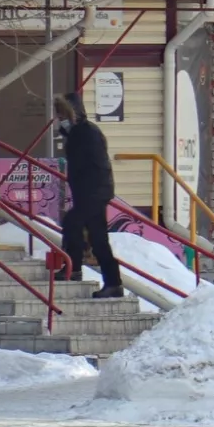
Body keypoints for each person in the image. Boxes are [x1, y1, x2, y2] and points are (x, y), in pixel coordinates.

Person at [53, 93, 124, 298]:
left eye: (61, 115)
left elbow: (96, 165)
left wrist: (93, 193)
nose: (59, 120)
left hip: (93, 193)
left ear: (72, 113)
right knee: (98, 238)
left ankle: (74, 269)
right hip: (91, 192)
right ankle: (113, 284)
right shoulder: (78, 133)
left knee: (73, 223)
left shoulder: (85, 133)